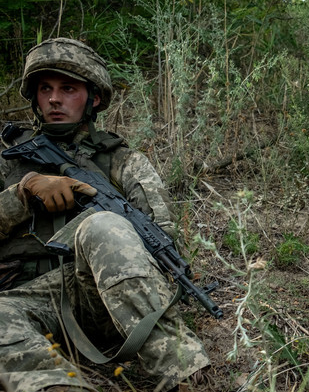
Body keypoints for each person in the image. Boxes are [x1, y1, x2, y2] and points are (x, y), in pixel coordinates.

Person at [0, 38, 210, 391]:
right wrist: (24, 193)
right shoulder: (9, 160)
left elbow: (162, 237)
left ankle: (181, 372)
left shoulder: (124, 162)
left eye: (68, 89)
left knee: (105, 224)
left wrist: (106, 218)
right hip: (28, 301)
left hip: (103, 297)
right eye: (45, 89)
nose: (54, 99)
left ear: (94, 98)